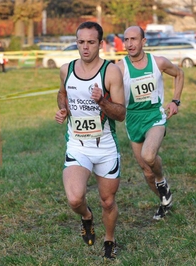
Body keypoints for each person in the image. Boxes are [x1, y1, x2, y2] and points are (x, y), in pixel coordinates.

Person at [55, 21, 125, 260]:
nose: (85, 47)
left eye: (90, 42)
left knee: (107, 201)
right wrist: (63, 109)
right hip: (78, 145)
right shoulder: (67, 69)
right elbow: (62, 93)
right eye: (81, 42)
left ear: (100, 44)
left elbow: (121, 114)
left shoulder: (111, 71)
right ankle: (86, 216)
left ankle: (109, 239)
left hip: (105, 147)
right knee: (75, 198)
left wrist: (102, 101)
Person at [116, 26, 184, 220]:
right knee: (146, 172)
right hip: (133, 120)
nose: (129, 44)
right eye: (126, 39)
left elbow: (179, 74)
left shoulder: (158, 62)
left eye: (134, 39)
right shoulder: (119, 68)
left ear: (143, 42)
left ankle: (162, 181)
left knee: (148, 155)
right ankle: (164, 201)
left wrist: (175, 100)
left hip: (154, 116)